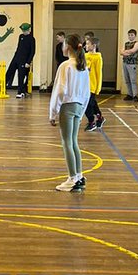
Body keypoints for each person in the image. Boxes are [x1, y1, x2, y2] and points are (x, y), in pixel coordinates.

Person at [49, 33, 91, 192]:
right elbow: (87, 93)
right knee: (74, 142)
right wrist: (82, 112)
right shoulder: (83, 66)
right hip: (79, 106)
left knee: (67, 142)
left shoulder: (65, 66)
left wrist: (53, 113)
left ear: (67, 47)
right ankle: (79, 176)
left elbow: (59, 91)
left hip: (67, 107)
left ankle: (72, 178)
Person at [6, 23, 35, 97]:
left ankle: (20, 91)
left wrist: (28, 62)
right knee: (9, 72)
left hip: (24, 60)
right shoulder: (21, 36)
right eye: (23, 30)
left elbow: (32, 51)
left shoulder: (31, 39)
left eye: (25, 30)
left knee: (21, 76)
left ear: (29, 30)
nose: (24, 32)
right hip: (16, 58)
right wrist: (15, 57)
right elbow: (19, 47)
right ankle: (2, 88)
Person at [83, 33, 105, 132]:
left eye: (88, 44)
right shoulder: (85, 55)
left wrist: (97, 87)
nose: (86, 46)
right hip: (84, 85)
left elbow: (98, 73)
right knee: (92, 103)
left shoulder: (98, 58)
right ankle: (100, 117)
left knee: (87, 104)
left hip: (91, 85)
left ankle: (91, 121)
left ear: (94, 46)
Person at [120, 29, 138, 102]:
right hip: (125, 62)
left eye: (132, 35)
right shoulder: (126, 43)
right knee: (127, 79)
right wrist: (126, 52)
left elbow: (133, 50)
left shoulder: (136, 43)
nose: (130, 36)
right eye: (129, 35)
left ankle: (135, 95)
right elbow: (121, 52)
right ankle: (130, 94)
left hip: (132, 63)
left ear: (135, 36)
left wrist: (126, 52)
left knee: (133, 80)